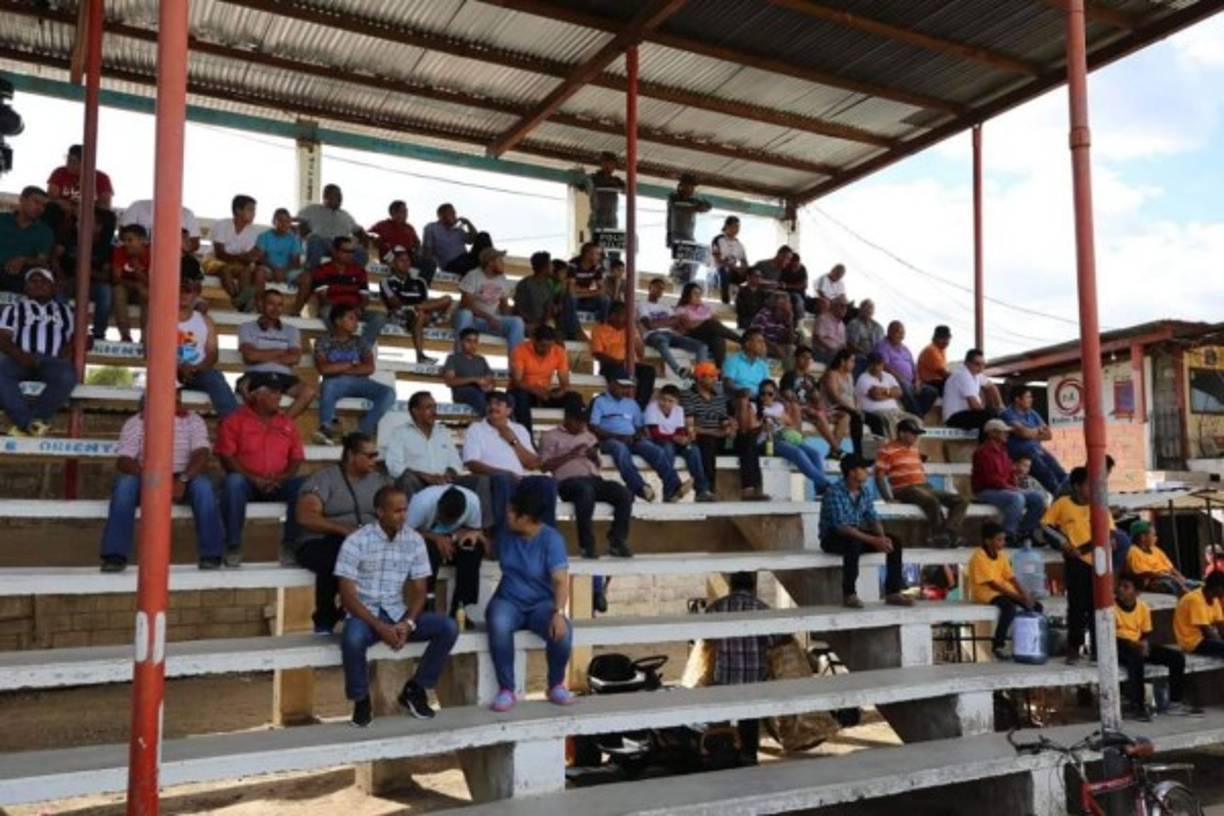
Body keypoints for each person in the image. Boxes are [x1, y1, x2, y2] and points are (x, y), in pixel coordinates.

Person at [336, 485, 460, 727]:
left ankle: (416, 689)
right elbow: (348, 596)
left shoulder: (414, 541)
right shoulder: (356, 541)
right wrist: (380, 627)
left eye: (405, 510)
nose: (403, 516)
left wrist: (408, 622)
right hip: (364, 615)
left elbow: (421, 591)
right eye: (397, 511)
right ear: (380, 512)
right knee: (351, 637)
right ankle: (361, 700)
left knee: (448, 626)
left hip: (397, 611)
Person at [99, 388, 223, 572]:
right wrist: (150, 478)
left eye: (177, 393)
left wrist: (183, 479)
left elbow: (202, 454)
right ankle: (115, 556)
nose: (175, 397)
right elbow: (124, 460)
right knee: (125, 484)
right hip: (147, 476)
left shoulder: (193, 420)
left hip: (183, 476)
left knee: (203, 486)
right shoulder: (137, 422)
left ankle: (211, 554)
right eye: (169, 392)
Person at [486, 487, 575, 712]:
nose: (506, 515)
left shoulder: (551, 540)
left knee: (563, 633)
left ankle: (555, 685)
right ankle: (507, 689)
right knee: (498, 622)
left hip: (541, 604)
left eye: (511, 512)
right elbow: (491, 550)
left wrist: (558, 613)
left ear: (524, 517)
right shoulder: (506, 533)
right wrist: (475, 536)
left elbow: (560, 581)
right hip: (509, 600)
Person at [295, 432, 390, 633]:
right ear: (351, 456)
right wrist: (343, 530)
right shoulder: (325, 478)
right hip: (322, 540)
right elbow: (306, 516)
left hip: (366, 540)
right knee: (338, 556)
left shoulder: (378, 482)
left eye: (376, 455)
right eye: (370, 455)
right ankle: (324, 619)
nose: (375, 460)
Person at [217, 376, 306, 567]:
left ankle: (290, 545)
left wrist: (283, 477)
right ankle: (232, 545)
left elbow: (297, 457)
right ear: (257, 396)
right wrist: (253, 478)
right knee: (233, 483)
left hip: (278, 482)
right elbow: (227, 457)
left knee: (306, 485)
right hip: (247, 483)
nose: (279, 397)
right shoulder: (234, 421)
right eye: (272, 392)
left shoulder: (287, 423)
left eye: (279, 392)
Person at [541, 393, 634, 559]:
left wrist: (593, 456)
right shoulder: (549, 436)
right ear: (567, 418)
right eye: (578, 421)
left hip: (594, 479)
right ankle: (587, 545)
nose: (582, 425)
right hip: (568, 482)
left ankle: (617, 541)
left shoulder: (589, 436)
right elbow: (544, 466)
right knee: (585, 491)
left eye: (584, 421)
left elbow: (598, 465)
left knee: (624, 493)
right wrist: (571, 454)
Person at [462, 391, 557, 540]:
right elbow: (472, 463)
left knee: (546, 483)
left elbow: (532, 464)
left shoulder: (519, 429)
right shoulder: (476, 429)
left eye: (498, 404)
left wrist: (512, 440)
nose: (492, 407)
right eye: (490, 403)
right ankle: (502, 542)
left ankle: (546, 540)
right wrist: (503, 473)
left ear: (509, 410)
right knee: (503, 480)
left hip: (520, 479)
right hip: (493, 480)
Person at [819, 454, 911, 609]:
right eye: (863, 468)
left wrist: (881, 538)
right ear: (852, 472)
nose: (867, 472)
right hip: (833, 537)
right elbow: (841, 527)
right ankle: (849, 595)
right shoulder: (834, 492)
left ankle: (893, 592)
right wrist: (873, 540)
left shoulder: (865, 491)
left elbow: (872, 518)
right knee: (853, 544)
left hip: (855, 533)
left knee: (894, 541)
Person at [1043, 467, 1112, 663]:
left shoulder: (1100, 506)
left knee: (1097, 607)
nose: (1092, 489)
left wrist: (1106, 542)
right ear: (1077, 486)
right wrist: (1064, 544)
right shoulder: (1063, 504)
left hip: (1098, 562)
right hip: (1075, 561)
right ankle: (1074, 647)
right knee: (1076, 607)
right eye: (1088, 484)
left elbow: (1110, 532)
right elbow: (1046, 525)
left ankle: (1098, 649)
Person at [0, 267, 77, 437]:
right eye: (33, 281)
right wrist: (21, 356)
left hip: (51, 361)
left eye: (43, 281)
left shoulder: (67, 312)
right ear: (26, 288)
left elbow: (81, 338)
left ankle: (31, 423)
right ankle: (28, 423)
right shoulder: (14, 309)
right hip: (19, 359)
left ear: (53, 287)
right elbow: (3, 338)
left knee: (67, 375)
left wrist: (71, 347)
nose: (38, 284)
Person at [590, 376, 689, 503]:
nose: (625, 390)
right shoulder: (599, 401)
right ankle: (641, 487)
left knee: (654, 450)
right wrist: (617, 436)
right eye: (621, 386)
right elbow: (593, 426)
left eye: (627, 387)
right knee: (621, 450)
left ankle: (673, 486)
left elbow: (640, 426)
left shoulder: (631, 403)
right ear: (611, 384)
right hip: (609, 440)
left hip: (631, 439)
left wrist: (638, 435)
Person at [706, 571, 770, 765]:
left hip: (724, 675)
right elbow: (774, 641)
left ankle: (721, 753)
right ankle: (748, 756)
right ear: (751, 586)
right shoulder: (763, 609)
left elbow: (706, 639)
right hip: (753, 677)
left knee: (721, 719)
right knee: (749, 720)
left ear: (731, 586)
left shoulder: (716, 608)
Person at [681, 361, 769, 502]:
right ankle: (707, 490)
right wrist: (716, 432)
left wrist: (729, 426)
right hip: (702, 437)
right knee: (707, 442)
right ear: (700, 377)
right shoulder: (688, 395)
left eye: (715, 376)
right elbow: (690, 427)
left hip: (719, 437)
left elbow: (722, 419)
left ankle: (749, 488)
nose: (715, 379)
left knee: (747, 440)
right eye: (711, 376)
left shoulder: (717, 395)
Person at [311, 303, 395, 444]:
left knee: (388, 393)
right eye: (351, 318)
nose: (356, 322)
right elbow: (323, 369)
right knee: (328, 385)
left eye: (355, 318)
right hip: (335, 384)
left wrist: (338, 368)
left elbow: (369, 368)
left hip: (358, 383)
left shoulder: (360, 342)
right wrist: (351, 364)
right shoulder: (323, 341)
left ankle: (362, 432)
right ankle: (326, 428)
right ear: (338, 321)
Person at [876, 418, 967, 547]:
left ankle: (948, 533)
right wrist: (888, 498)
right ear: (902, 433)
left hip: (923, 487)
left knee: (960, 500)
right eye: (913, 433)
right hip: (904, 489)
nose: (916, 436)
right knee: (931, 500)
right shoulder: (887, 449)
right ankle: (939, 536)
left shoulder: (914, 449)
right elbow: (879, 475)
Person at [1115, 574, 1193, 721]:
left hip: (1138, 643)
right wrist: (1136, 644)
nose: (1120, 589)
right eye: (1120, 586)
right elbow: (1111, 636)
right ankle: (1137, 706)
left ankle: (1175, 702)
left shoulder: (1143, 608)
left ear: (1137, 592)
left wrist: (1144, 642)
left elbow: (1146, 632)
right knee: (1136, 658)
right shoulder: (1111, 608)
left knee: (1176, 657)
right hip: (1119, 645)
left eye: (1126, 587)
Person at [293, 236, 386, 348]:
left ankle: (362, 347)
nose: (350, 254)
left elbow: (365, 298)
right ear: (335, 252)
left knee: (379, 317)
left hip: (354, 310)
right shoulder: (322, 270)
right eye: (346, 251)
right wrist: (344, 312)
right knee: (327, 312)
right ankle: (340, 344)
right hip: (334, 310)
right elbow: (323, 298)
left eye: (352, 251)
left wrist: (358, 309)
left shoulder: (359, 271)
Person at [237, 289, 316, 418]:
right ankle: (267, 427)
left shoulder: (292, 331)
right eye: (271, 304)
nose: (276, 308)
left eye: (279, 305)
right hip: (258, 375)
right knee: (264, 397)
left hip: (285, 378)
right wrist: (279, 352)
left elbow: (294, 358)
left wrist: (261, 355)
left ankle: (280, 424)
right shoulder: (246, 327)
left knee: (309, 392)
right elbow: (250, 356)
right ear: (261, 304)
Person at [968, 521, 1041, 659]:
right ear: (988, 541)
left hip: (1003, 590)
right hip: (985, 592)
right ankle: (998, 645)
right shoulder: (979, 556)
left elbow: (1011, 577)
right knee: (1009, 607)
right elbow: (992, 584)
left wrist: (1024, 593)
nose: (1003, 543)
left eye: (1003, 539)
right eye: (999, 539)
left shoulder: (1001, 555)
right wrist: (1017, 597)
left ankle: (1028, 642)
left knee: (1036, 606)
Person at [176, 276, 239, 418]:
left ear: (195, 294)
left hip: (199, 372)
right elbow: (153, 352)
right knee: (150, 394)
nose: (183, 294)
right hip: (169, 373)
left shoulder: (206, 321)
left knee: (215, 378)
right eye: (179, 290)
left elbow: (212, 353)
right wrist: (178, 367)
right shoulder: (161, 318)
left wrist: (196, 368)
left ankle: (233, 427)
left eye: (187, 290)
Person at [973, 419, 1045, 542]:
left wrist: (1013, 486)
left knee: (1037, 498)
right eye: (1003, 432)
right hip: (986, 490)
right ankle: (1008, 535)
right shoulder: (982, 452)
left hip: (1004, 489)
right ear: (992, 433)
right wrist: (1011, 488)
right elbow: (991, 479)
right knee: (1017, 498)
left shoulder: (1003, 451)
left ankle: (1025, 532)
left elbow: (1010, 473)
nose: (1006, 434)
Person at [380, 245, 452, 364]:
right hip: (399, 314)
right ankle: (420, 355)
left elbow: (425, 302)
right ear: (393, 264)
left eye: (408, 260)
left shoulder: (420, 281)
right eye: (401, 261)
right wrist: (416, 307)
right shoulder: (386, 282)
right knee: (420, 314)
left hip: (420, 311)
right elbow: (395, 303)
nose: (406, 263)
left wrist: (419, 307)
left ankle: (419, 314)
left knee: (447, 299)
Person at [757, 379, 828, 496]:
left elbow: (790, 423)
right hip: (767, 441)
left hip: (782, 437)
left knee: (816, 454)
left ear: (774, 394)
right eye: (763, 393)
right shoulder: (756, 408)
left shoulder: (778, 406)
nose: (766, 397)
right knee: (798, 453)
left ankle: (820, 490)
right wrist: (762, 425)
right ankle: (826, 485)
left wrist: (782, 421)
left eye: (770, 394)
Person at [646, 384, 715, 502]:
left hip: (673, 441)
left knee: (693, 449)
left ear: (677, 402)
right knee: (667, 448)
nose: (666, 403)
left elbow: (679, 430)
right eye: (663, 399)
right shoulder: (652, 408)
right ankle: (669, 491)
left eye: (670, 401)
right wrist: (674, 438)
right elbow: (654, 433)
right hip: (657, 442)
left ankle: (701, 490)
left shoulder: (679, 410)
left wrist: (685, 438)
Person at [454, 247, 525, 353]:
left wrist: (502, 321)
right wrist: (488, 318)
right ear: (491, 262)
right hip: (471, 320)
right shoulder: (473, 275)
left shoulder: (502, 279)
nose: (503, 263)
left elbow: (504, 306)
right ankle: (459, 360)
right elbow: (466, 304)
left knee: (517, 322)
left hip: (488, 322)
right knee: (465, 314)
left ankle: (516, 366)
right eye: (500, 260)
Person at [1000, 385, 1068, 495]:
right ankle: (1060, 498)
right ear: (1018, 399)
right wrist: (1037, 431)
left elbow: (1049, 435)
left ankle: (1071, 497)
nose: (1031, 399)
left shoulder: (1032, 413)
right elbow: (1023, 433)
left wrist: (1029, 432)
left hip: (1037, 449)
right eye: (1028, 397)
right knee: (1047, 474)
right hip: (1021, 453)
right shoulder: (1007, 414)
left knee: (1059, 471)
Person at [637, 277, 708, 379]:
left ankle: (701, 375)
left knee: (702, 346)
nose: (660, 290)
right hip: (653, 335)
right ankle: (678, 370)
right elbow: (648, 325)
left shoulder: (665, 306)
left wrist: (657, 323)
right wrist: (667, 322)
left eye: (662, 289)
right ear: (650, 287)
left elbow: (675, 322)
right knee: (661, 341)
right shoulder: (642, 305)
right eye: (657, 287)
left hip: (671, 335)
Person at [591, 302, 655, 408]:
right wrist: (617, 361)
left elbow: (641, 354)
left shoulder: (630, 329)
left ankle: (639, 407)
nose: (626, 318)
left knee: (648, 371)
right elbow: (597, 353)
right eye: (623, 315)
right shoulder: (599, 329)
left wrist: (636, 334)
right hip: (611, 365)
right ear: (612, 315)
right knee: (621, 375)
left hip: (631, 364)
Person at [510, 324, 570, 433]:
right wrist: (535, 391)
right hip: (525, 392)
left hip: (545, 392)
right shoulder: (520, 350)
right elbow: (517, 382)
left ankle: (572, 437)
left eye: (549, 347)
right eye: (542, 346)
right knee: (520, 395)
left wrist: (562, 390)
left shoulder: (559, 351)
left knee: (574, 397)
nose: (546, 350)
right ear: (533, 340)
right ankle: (526, 438)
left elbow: (565, 382)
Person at [207, 194, 262, 311]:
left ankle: (241, 304)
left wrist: (247, 259)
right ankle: (238, 301)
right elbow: (219, 254)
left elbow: (248, 258)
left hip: (235, 264)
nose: (254, 213)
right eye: (250, 209)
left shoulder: (252, 231)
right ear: (238, 210)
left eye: (254, 210)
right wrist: (242, 258)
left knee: (246, 270)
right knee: (224, 268)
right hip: (212, 261)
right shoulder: (221, 225)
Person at [296, 183, 366, 271]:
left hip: (341, 246)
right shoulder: (311, 210)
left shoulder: (345, 215)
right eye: (337, 195)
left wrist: (358, 241)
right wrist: (302, 235)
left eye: (340, 195)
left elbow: (359, 230)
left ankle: (352, 278)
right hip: (321, 242)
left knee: (361, 251)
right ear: (326, 196)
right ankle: (312, 275)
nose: (340, 198)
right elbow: (295, 222)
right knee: (314, 239)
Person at [874, 321, 937, 417]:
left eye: (903, 333)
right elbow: (885, 366)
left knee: (931, 391)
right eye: (898, 332)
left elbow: (913, 367)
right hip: (894, 380)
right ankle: (918, 416)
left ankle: (917, 415)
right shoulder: (882, 346)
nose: (901, 336)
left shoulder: (905, 349)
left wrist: (916, 381)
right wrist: (901, 378)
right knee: (905, 387)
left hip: (910, 382)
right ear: (889, 332)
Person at [673, 282, 742, 368]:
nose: (698, 296)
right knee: (710, 324)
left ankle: (720, 370)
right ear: (687, 294)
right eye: (695, 293)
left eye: (699, 293)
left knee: (718, 338)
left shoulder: (704, 307)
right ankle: (741, 340)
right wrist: (705, 320)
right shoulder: (682, 309)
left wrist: (704, 309)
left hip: (707, 336)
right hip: (692, 336)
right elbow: (689, 326)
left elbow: (718, 321)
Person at [0, 187, 55, 293]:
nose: (40, 208)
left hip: (21, 275)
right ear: (22, 199)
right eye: (36, 202)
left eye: (43, 205)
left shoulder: (45, 231)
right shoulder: (2, 220)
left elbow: (42, 261)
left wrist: (24, 260)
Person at [854, 352, 919, 439]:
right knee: (894, 423)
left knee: (916, 421)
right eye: (873, 364)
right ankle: (892, 451)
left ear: (882, 364)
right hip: (876, 412)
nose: (876, 367)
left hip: (895, 411)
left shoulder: (888, 376)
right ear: (869, 364)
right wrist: (891, 393)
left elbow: (899, 393)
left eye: (879, 364)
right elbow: (875, 396)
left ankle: (911, 451)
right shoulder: (863, 378)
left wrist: (884, 391)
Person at [368, 200, 435, 283]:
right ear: (393, 212)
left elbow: (417, 244)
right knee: (391, 254)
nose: (406, 214)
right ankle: (397, 285)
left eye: (406, 211)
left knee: (430, 263)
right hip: (390, 255)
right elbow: (368, 234)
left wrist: (417, 251)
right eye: (403, 211)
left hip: (408, 256)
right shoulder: (383, 225)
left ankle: (420, 289)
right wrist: (375, 236)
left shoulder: (409, 228)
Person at [1126, 521, 1198, 597]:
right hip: (1155, 581)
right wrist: (1168, 576)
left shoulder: (1156, 550)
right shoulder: (1133, 551)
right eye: (1153, 535)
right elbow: (1144, 573)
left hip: (1170, 578)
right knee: (1177, 587)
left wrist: (1180, 577)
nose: (1156, 537)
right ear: (1142, 537)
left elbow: (1170, 567)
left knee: (1197, 585)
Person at [665, 173, 712, 283]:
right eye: (688, 186)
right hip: (676, 235)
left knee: (699, 257)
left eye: (692, 187)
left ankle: (684, 278)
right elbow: (678, 207)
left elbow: (708, 206)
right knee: (683, 259)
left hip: (689, 236)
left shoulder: (693, 200)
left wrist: (700, 205)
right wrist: (696, 207)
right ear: (681, 186)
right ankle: (676, 274)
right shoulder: (673, 197)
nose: (691, 189)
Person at [942, 348, 1002, 433]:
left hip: (966, 414)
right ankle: (985, 445)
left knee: (994, 415)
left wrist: (1001, 406)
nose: (981, 368)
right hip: (953, 417)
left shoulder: (976, 374)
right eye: (977, 364)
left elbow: (992, 387)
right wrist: (992, 416)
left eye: (983, 365)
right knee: (987, 417)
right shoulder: (963, 375)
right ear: (967, 363)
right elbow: (974, 405)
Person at [110, 222, 151, 343]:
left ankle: (145, 336)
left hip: (145, 289)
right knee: (118, 291)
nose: (126, 244)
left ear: (142, 240)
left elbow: (154, 283)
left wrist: (138, 270)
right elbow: (116, 278)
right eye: (124, 240)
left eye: (130, 240)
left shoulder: (152, 252)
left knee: (147, 294)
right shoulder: (120, 251)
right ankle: (125, 335)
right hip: (127, 287)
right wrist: (135, 285)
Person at [421, 203, 489, 274]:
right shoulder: (432, 228)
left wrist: (468, 223)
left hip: (466, 259)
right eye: (452, 213)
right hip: (451, 264)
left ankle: (493, 260)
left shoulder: (458, 230)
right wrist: (427, 268)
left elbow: (474, 239)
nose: (455, 215)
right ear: (441, 215)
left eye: (454, 213)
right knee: (465, 264)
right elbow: (427, 250)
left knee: (483, 235)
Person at [443, 328, 497, 416]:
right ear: (461, 342)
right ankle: (491, 422)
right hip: (462, 392)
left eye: (475, 341)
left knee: (504, 399)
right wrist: (473, 379)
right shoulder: (453, 358)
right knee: (474, 393)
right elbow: (449, 381)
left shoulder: (481, 359)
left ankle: (511, 426)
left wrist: (490, 386)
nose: (472, 345)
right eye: (468, 341)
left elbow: (491, 380)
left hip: (481, 391)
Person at [46, 144, 115, 212]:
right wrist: (59, 203)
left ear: (86, 162)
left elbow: (105, 205)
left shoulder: (102, 178)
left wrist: (79, 210)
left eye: (73, 161)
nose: (68, 164)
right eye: (68, 159)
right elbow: (51, 198)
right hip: (62, 213)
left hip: (91, 215)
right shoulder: (59, 172)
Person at [822, 348, 865, 454]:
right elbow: (834, 396)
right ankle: (834, 450)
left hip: (849, 409)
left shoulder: (850, 376)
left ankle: (860, 453)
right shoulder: (832, 374)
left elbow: (853, 395)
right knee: (847, 416)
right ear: (842, 361)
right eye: (851, 361)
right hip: (834, 408)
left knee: (873, 420)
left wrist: (856, 408)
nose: (854, 364)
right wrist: (851, 409)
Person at [1173, 572, 1224, 659]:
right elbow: (1206, 631)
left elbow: (1221, 625)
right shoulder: (1195, 599)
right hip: (1192, 642)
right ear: (1217, 587)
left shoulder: (1214, 599)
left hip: (1206, 638)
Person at [120, 199, 202, 254]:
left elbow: (195, 244)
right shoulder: (138, 206)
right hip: (138, 256)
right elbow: (122, 234)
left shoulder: (187, 214)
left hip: (172, 259)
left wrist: (184, 246)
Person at [566, 241, 611, 332]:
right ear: (587, 254)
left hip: (583, 298)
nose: (599, 257)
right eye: (597, 254)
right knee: (571, 298)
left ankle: (603, 328)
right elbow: (571, 290)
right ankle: (572, 331)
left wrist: (580, 292)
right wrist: (591, 292)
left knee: (605, 299)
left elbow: (602, 290)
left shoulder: (597, 267)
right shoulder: (573, 264)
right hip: (573, 301)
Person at [255, 207, 304, 285]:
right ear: (273, 222)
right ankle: (259, 297)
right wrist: (274, 269)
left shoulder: (294, 239)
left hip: (288, 270)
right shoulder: (263, 236)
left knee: (306, 278)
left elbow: (296, 263)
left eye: (287, 221)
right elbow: (260, 259)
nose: (284, 224)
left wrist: (283, 271)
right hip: (269, 269)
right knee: (259, 272)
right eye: (280, 220)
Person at [514, 251, 557, 336]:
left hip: (541, 325)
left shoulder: (548, 285)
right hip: (525, 324)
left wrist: (542, 324)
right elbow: (518, 308)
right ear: (544, 268)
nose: (553, 267)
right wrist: (530, 324)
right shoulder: (525, 284)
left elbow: (548, 309)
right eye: (551, 264)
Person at [583, 151, 625, 234]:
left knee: (609, 244)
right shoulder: (593, 179)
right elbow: (585, 186)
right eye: (606, 163)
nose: (609, 166)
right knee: (597, 244)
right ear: (601, 164)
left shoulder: (616, 181)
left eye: (612, 164)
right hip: (597, 218)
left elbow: (627, 190)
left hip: (612, 219)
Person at [710, 215, 748, 304]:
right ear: (727, 226)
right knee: (725, 270)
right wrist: (734, 267)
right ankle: (725, 301)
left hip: (732, 272)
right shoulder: (718, 240)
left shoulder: (739, 244)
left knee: (752, 272)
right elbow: (717, 259)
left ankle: (743, 302)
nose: (736, 229)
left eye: (738, 227)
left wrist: (743, 269)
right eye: (734, 226)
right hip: (717, 271)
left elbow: (744, 261)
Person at [750, 293, 797, 364]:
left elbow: (791, 340)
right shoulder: (764, 314)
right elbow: (756, 335)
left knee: (791, 348)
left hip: (775, 345)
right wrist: (774, 347)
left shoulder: (786, 317)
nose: (790, 305)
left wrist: (790, 320)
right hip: (759, 343)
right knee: (762, 348)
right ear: (778, 304)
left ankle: (789, 373)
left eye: (789, 302)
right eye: (787, 302)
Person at [723, 328, 770, 398]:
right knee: (743, 399)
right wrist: (741, 392)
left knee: (785, 402)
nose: (763, 345)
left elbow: (767, 386)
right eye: (760, 341)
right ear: (748, 344)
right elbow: (727, 387)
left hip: (759, 399)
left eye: (763, 342)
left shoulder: (762, 364)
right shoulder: (732, 361)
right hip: (738, 399)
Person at [844, 298, 883, 374]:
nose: (868, 310)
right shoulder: (854, 324)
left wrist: (876, 357)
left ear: (873, 311)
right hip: (859, 357)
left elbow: (880, 346)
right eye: (866, 308)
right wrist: (866, 353)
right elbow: (850, 344)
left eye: (870, 308)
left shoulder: (878, 327)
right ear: (860, 310)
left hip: (875, 359)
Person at [812, 297, 848, 363]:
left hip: (835, 355)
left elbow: (843, 344)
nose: (844, 309)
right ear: (834, 306)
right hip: (823, 353)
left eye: (846, 306)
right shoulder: (823, 318)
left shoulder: (842, 325)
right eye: (842, 306)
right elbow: (816, 338)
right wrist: (831, 349)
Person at [917, 325, 952, 391]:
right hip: (929, 383)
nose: (946, 342)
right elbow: (943, 373)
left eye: (947, 339)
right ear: (935, 337)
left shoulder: (941, 349)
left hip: (937, 381)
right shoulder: (931, 350)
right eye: (943, 338)